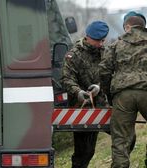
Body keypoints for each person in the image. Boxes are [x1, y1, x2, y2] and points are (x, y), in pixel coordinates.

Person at [99, 11, 147, 168]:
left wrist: (108, 94)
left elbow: (104, 71)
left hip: (123, 96)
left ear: (127, 27)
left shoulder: (116, 45)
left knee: (120, 140)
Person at [62, 21, 109, 168]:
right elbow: (66, 78)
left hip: (104, 106)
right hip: (82, 108)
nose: (100, 44)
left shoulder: (106, 53)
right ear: (88, 37)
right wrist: (79, 92)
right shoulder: (73, 55)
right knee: (85, 152)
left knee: (126, 139)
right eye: (97, 41)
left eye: (102, 40)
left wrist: (99, 87)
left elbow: (111, 74)